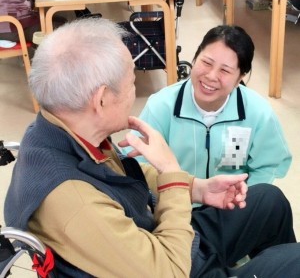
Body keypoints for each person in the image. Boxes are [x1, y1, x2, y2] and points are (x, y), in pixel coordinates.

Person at [4, 18, 300, 277]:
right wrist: (171, 172)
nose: (136, 92)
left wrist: (197, 188)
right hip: (172, 264)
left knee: (269, 200)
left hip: (158, 235)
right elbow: (170, 271)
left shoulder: (65, 129)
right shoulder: (72, 201)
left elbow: (125, 177)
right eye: (132, 81)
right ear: (102, 99)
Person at [126, 25, 292, 188]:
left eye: (225, 71)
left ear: (240, 76)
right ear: (195, 57)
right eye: (206, 62)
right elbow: (139, 163)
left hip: (232, 206)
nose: (211, 76)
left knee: (275, 201)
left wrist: (245, 200)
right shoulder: (161, 106)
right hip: (177, 200)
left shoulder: (258, 112)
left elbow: (269, 164)